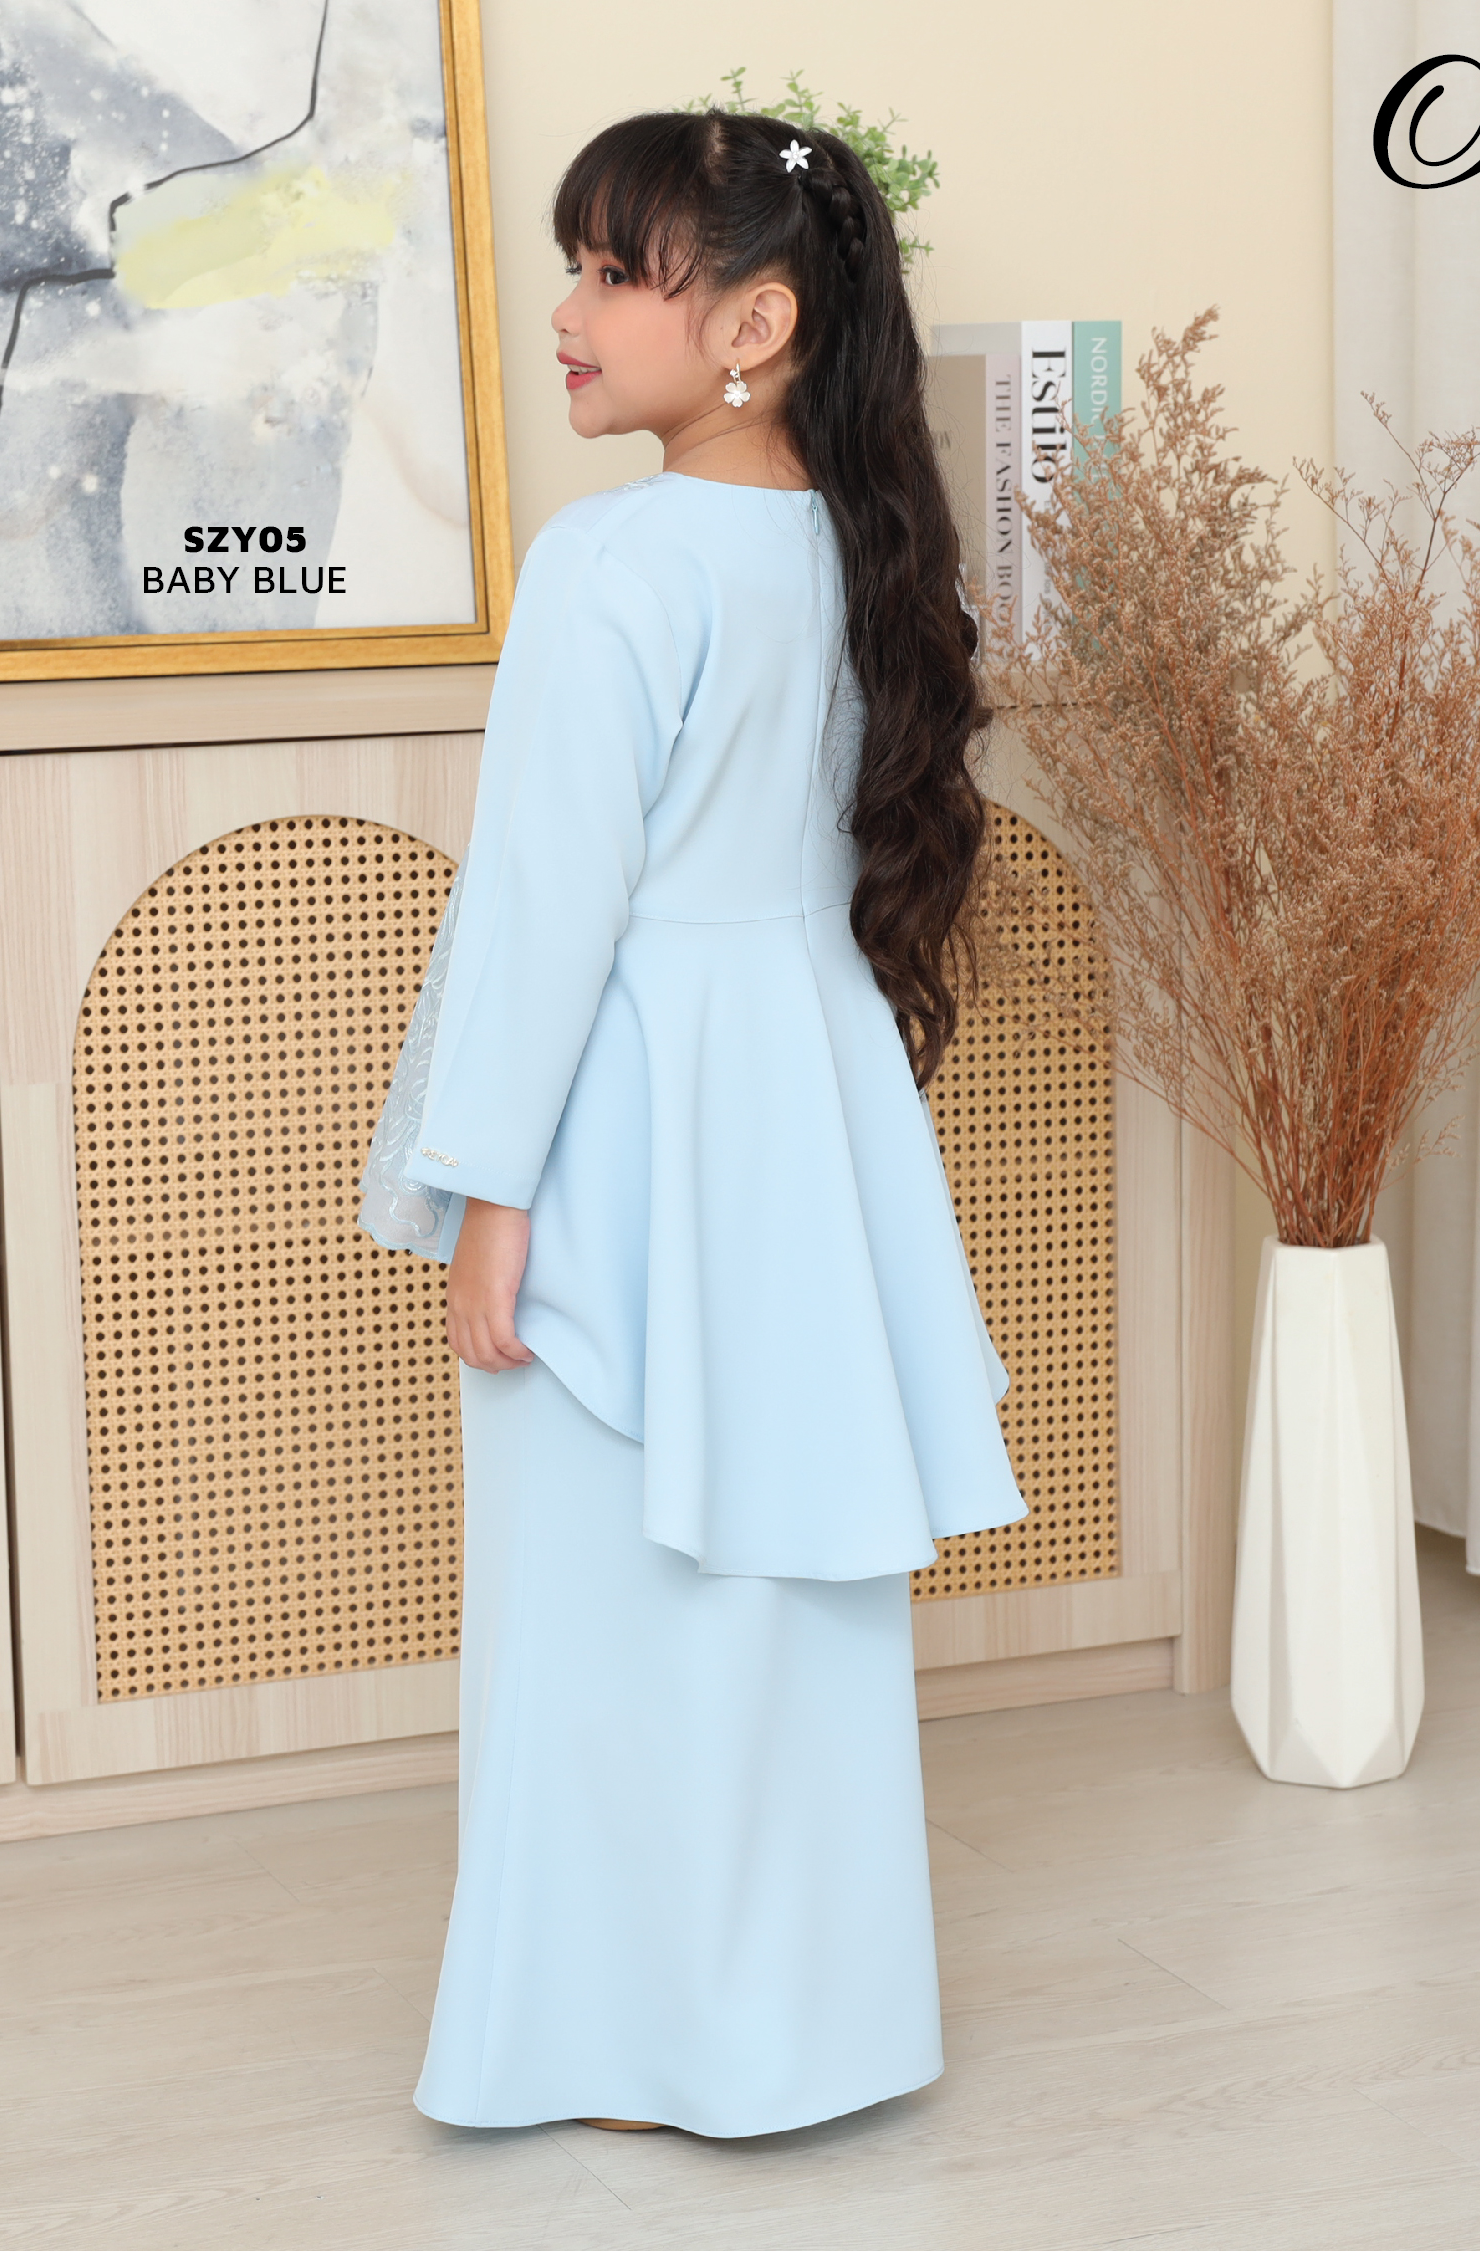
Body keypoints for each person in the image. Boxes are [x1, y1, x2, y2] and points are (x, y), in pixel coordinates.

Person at [358, 106, 1025, 2139]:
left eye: (612, 272)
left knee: (592, 1604)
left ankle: (594, 2037)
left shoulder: (614, 561)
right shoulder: (867, 551)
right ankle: (813, 2031)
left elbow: (547, 902)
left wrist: (490, 1189)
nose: (564, 311)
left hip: (631, 1118)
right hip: (806, 1106)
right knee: (782, 1591)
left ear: (755, 321)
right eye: (571, 265)